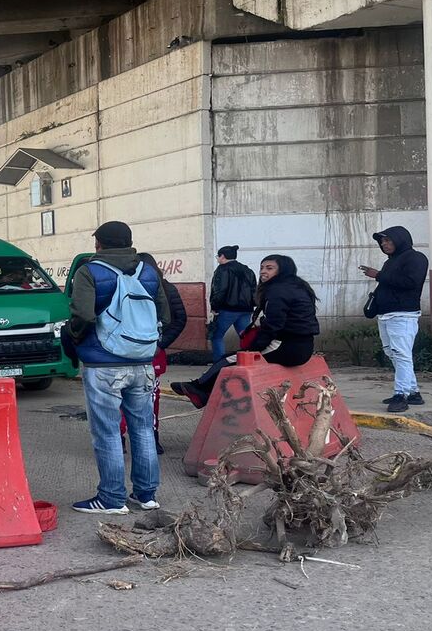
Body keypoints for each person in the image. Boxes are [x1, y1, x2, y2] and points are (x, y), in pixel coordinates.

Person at [64, 221, 171, 515]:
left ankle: (111, 499)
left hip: (104, 364)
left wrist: (74, 336)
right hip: (143, 362)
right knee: (143, 429)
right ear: (128, 242)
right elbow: (164, 314)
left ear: (99, 244)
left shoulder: (89, 271)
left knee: (108, 432)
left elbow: (83, 315)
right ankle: (146, 495)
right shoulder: (148, 271)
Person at [171, 254, 319, 407]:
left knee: (231, 359)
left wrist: (253, 349)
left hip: (286, 346)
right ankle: (202, 390)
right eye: (262, 267)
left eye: (269, 268)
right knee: (233, 356)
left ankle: (198, 388)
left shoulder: (278, 291)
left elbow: (273, 326)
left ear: (283, 270)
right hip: (302, 346)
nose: (263, 271)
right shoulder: (298, 287)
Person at [360, 225, 428, 413]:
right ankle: (413, 392)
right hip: (386, 314)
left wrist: (379, 275)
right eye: (382, 241)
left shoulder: (416, 258)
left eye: (388, 240)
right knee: (392, 352)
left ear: (400, 239)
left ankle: (401, 395)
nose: (384, 244)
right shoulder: (390, 262)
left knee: (401, 354)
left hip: (403, 315)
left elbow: (411, 282)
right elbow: (387, 284)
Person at [209, 245, 257, 363]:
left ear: (222, 256)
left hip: (228, 309)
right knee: (245, 336)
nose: (217, 259)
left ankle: (219, 365)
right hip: (246, 309)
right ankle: (249, 362)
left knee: (217, 336)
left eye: (218, 256)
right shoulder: (247, 270)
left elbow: (220, 291)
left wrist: (214, 307)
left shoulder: (222, 269)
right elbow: (254, 290)